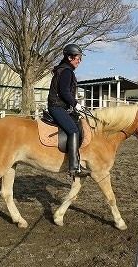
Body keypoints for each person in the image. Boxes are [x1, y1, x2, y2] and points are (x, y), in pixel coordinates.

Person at [47, 44, 91, 177]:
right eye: (78, 58)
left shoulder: (65, 70)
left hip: (61, 106)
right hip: (56, 107)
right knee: (73, 130)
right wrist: (76, 104)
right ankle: (74, 167)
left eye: (80, 59)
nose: (80, 61)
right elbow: (64, 92)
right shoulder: (66, 71)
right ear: (70, 57)